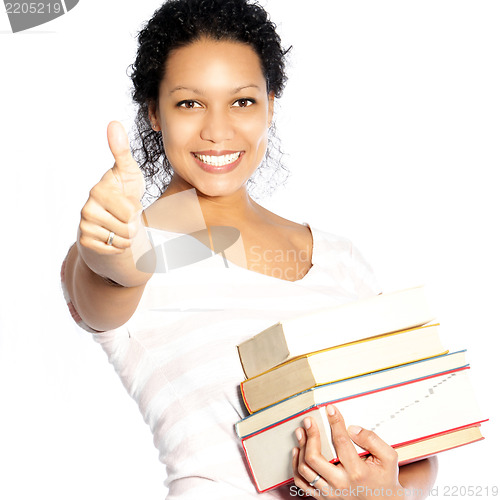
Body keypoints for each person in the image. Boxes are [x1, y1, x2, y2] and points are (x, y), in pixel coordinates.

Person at [61, 0, 437, 498]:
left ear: (271, 104)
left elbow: (419, 439)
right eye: (189, 103)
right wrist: (112, 260)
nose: (218, 130)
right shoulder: (131, 241)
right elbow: (105, 287)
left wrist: (387, 493)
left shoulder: (339, 259)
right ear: (153, 111)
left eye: (241, 101)